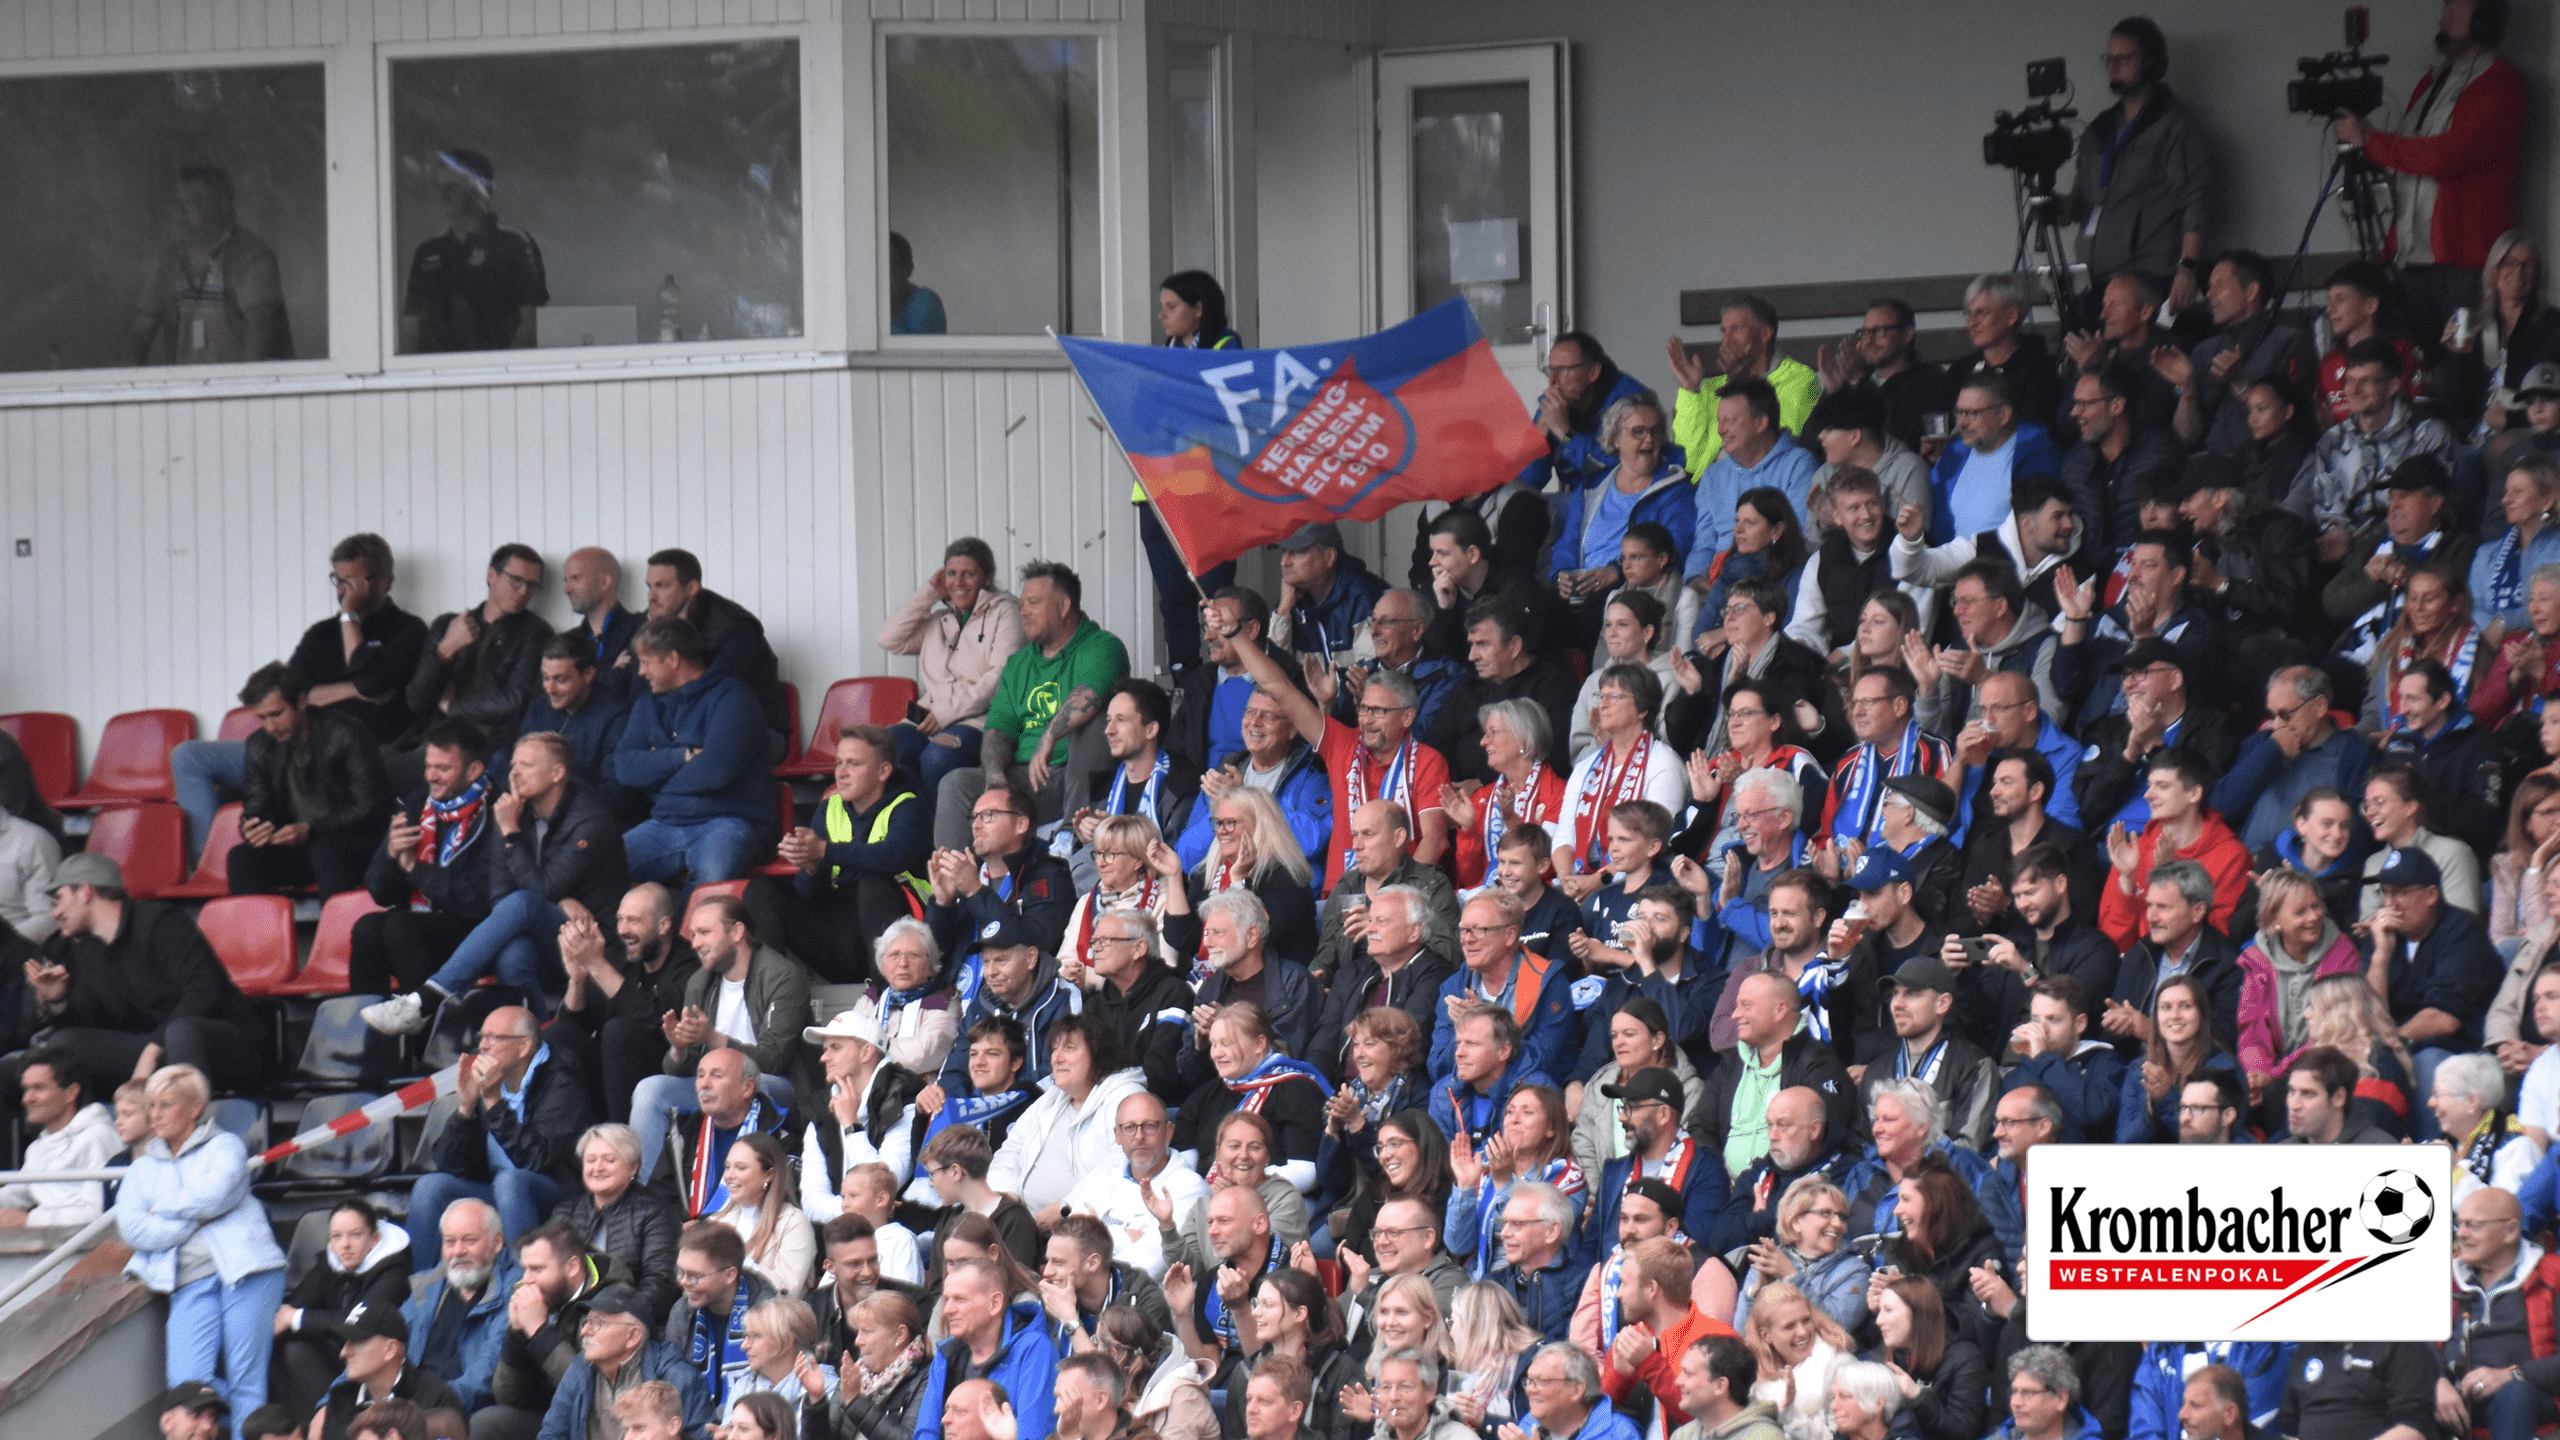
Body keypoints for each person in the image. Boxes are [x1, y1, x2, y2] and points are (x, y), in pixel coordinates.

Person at [364, 733, 631, 1036]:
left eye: (527, 765)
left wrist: (511, 832)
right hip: (548, 934)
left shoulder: (589, 819)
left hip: (597, 941)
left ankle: (427, 999)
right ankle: (537, 1042)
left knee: (521, 906)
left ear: (557, 774)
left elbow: (540, 892)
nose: (514, 773)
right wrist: (557, 900)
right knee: (514, 954)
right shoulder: (511, 808)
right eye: (513, 764)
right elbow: (499, 896)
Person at [2332, 0, 2528, 337]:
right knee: (2412, 367)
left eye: (2457, 12)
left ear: (2485, 21)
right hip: (2411, 259)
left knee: (2458, 373)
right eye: (2445, 10)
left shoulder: (2500, 84)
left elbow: (2444, 157)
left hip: (2464, 263)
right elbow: (2410, 155)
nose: (2444, 19)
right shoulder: (2431, 82)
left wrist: (2369, 139)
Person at [115, 1064, 291, 1428]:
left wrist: (162, 1208)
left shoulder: (226, 1145)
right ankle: (271, 1426)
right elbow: (134, 1228)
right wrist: (193, 1219)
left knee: (247, 1381)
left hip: (249, 1271)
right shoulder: (141, 1169)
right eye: (151, 1106)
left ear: (195, 1108)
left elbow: (215, 1197)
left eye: (166, 1105)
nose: (155, 1115)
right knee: (187, 1385)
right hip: (189, 1279)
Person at [25, 852, 266, 1095]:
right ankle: (87, 1130)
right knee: (64, 1046)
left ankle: (187, 1129)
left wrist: (153, 1049)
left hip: (218, 1043)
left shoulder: (161, 922)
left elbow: (203, 990)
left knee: (182, 1031)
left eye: (58, 900)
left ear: (85, 892)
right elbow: (93, 1024)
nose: (54, 914)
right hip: (150, 1046)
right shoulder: (86, 949)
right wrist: (57, 1001)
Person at [932, 561, 1130, 847]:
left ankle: (1069, 835)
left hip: (1074, 775)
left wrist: (1049, 737)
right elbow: (998, 729)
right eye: (1021, 603)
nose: (1022, 611)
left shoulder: (1102, 646)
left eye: (1033, 603)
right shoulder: (1019, 663)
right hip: (1025, 778)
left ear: (1064, 606)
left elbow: (1088, 696)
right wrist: (996, 780)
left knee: (1099, 722)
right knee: (956, 783)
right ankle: (951, 880)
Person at [627, 899, 810, 1180]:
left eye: (704, 933)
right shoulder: (699, 982)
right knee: (650, 1090)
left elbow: (775, 1060)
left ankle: (742, 1187)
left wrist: (713, 1038)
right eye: (693, 935)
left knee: (754, 1086)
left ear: (737, 932)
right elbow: (683, 1069)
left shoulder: (781, 976)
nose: (695, 943)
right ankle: (640, 1197)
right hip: (718, 1082)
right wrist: (679, 1048)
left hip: (772, 1085)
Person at [612, 616, 772, 887]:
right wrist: (681, 756)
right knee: (602, 870)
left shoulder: (732, 696)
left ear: (673, 660)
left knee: (711, 879)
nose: (640, 672)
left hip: (727, 822)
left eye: (647, 662)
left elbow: (715, 772)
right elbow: (625, 768)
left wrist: (655, 776)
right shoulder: (647, 705)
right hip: (664, 823)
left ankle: (685, 932)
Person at [349, 723, 500, 998]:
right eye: (429, 766)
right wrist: (391, 856)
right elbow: (380, 892)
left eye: (443, 769)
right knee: (366, 928)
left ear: (474, 770)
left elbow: (479, 897)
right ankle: (365, 1031)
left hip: (478, 931)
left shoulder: (498, 811)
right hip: (425, 924)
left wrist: (415, 870)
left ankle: (424, 1026)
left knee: (399, 927)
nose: (432, 776)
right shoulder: (419, 805)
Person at [222, 661, 392, 898]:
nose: (270, 727)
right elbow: (257, 805)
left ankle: (334, 933)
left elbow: (371, 807)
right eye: (262, 718)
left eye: (276, 714)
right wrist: (252, 826)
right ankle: (254, 934)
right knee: (241, 857)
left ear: (301, 702)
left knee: (326, 849)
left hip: (357, 844)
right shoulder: (259, 745)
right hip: (302, 846)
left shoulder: (345, 732)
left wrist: (311, 829)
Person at [879, 538, 1026, 793]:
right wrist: (930, 591)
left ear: (987, 577)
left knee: (937, 758)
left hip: (978, 718)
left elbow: (1000, 677)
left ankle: (941, 831)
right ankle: (913, 822)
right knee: (885, 750)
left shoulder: (1007, 613)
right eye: (951, 574)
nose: (958, 583)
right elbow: (889, 639)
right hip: (927, 716)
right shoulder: (940, 619)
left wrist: (947, 713)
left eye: (968, 574)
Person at [1555, 395, 1696, 644]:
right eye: (1638, 431)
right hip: (1581, 587)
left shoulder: (1674, 489)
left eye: (1655, 431)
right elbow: (1567, 543)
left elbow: (1675, 549)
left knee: (1599, 608)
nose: (1650, 439)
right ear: (1614, 438)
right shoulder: (1593, 486)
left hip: (1632, 586)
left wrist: (1617, 571)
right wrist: (1562, 575)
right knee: (1541, 606)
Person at [2296, 339, 2460, 550]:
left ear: (2392, 386)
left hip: (2411, 548)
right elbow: (2328, 510)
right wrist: (2339, 535)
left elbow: (2433, 511)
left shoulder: (2429, 434)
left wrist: (2363, 544)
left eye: (2365, 381)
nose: (2353, 390)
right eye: (2349, 381)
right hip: (2346, 554)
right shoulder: (2332, 440)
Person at [2151, 250, 2316, 452]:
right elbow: (2188, 436)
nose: (2209, 295)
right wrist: (2188, 388)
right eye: (2209, 288)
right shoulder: (2204, 350)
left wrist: (2239, 381)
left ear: (2251, 292)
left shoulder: (2291, 342)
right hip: (2208, 468)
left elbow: (2294, 419)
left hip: (2264, 467)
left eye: (2219, 286)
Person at [633, 549, 791, 755]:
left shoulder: (735, 627)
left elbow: (716, 691)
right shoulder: (652, 623)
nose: (651, 597)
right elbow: (636, 688)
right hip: (683, 730)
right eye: (650, 587)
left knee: (684, 758)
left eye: (662, 586)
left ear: (691, 588)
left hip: (756, 731)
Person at [130, 163, 289, 364]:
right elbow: (141, 331)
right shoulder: (167, 261)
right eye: (178, 203)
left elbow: (259, 343)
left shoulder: (252, 258)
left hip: (236, 390)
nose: (182, 212)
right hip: (185, 389)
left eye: (193, 202)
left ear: (223, 204)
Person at [2096, 751, 2252, 951]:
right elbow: (2113, 943)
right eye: (2150, 785)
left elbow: (2208, 945)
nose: (2148, 794)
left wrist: (2168, 880)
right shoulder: (2136, 849)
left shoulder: (2232, 856)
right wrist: (2126, 879)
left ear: (2194, 794)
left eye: (2163, 786)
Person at [2214, 667, 2377, 852]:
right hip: (2245, 863)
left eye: (2285, 715)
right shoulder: (2262, 744)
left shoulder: (2355, 754)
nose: (2277, 725)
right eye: (2272, 715)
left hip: (2307, 869)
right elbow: (2221, 808)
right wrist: (2270, 752)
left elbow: (2359, 833)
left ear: (2319, 706)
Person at [401, 148, 544, 352]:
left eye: (451, 188)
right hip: (440, 374)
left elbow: (529, 327)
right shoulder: (428, 253)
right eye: (438, 188)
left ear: (477, 189)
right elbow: (410, 331)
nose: (443, 196)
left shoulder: (514, 245)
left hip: (502, 372)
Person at [530, 1285, 712, 1440]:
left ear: (632, 1336)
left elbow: (702, 1436)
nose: (584, 1331)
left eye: (598, 1323)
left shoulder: (676, 1376)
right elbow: (551, 1434)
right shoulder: (580, 1369)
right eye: (586, 1322)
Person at [1430, 892, 1577, 1084]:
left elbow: (1539, 1062)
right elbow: (1438, 1068)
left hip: (1526, 1097)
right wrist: (1465, 1034)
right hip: (1471, 1092)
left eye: (1479, 929)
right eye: (1464, 930)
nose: (1467, 939)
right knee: (1441, 1091)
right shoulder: (1454, 986)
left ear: (1510, 935)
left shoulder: (1549, 982)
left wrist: (1483, 1026)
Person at [1669, 299, 1822, 477]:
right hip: (1708, 488)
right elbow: (1689, 461)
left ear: (1765, 334)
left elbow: (1774, 448)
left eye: (1736, 329)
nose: (1726, 340)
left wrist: (1741, 385)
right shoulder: (1713, 387)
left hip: (1766, 486)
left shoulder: (1800, 379)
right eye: (1724, 331)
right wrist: (1690, 391)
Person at [1686, 379, 1818, 585]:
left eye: (1729, 421)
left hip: (1773, 577)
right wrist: (1696, 579)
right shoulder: (1713, 475)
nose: (1720, 430)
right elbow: (1704, 544)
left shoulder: (1798, 464)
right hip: (1716, 581)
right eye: (1719, 421)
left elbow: (1796, 538)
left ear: (1760, 423)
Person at [912, 1257, 1060, 1440]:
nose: (948, 1310)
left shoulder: (1033, 1350)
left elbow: (1035, 1434)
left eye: (960, 1299)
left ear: (994, 1303)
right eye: (947, 1300)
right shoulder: (946, 1355)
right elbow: (926, 1433)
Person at [1807, 341, 1942, 503]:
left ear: (1855, 436)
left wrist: (1841, 518)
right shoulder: (1824, 475)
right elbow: (1808, 529)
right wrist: (1822, 523)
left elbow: (1917, 528)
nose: (1821, 436)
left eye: (1829, 429)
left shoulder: (1909, 470)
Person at [0, 1044, 118, 1227]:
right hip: (48, 1246)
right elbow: (18, 1192)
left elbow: (100, 1212)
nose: (27, 1099)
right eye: (26, 1089)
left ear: (71, 1092)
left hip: (85, 1250)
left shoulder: (98, 1136)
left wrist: (29, 1220)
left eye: (38, 1088)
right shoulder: (37, 1147)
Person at [312, 1300, 465, 1440]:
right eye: (345, 1343)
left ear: (391, 1349)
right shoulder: (339, 1399)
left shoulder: (437, 1398)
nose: (344, 1353)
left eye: (357, 1341)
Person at [2004, 979, 2129, 1144]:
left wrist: (2044, 1058)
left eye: (2053, 1019)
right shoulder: (2025, 1068)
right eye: (2035, 1020)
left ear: (2079, 1024)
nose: (2041, 1030)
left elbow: (2092, 1112)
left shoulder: (2107, 1063)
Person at [2116, 976, 2237, 1144]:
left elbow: (2209, 1141)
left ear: (2201, 1015)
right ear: (2156, 1017)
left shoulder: (2224, 1069)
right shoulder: (2139, 1069)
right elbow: (2124, 1142)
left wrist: (2166, 1097)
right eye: (2166, 1008)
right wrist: (2150, 1110)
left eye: (2185, 1006)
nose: (2175, 1016)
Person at [1863, 1275, 1986, 1440]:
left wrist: (1916, 1396)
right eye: (1879, 1311)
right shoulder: (1884, 1354)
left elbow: (1964, 1433)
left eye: (1888, 1310)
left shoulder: (1965, 1358)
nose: (1878, 1321)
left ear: (1917, 1315)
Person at [1946, 273, 2066, 438]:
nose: (1971, 323)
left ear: (2011, 316)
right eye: (1968, 314)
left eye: (1982, 313)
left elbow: (2034, 435)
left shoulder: (2040, 371)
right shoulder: (1960, 371)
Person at [1669, 1334, 1785, 1440]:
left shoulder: (1765, 1437)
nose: (1678, 1381)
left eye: (1688, 1374)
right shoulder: (1682, 1436)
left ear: (1720, 1386)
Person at [556, 547, 640, 691]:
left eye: (576, 578)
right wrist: (610, 672)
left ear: (604, 582)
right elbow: (550, 690)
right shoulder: (566, 641)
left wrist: (577, 681)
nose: (567, 589)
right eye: (566, 581)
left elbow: (632, 688)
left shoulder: (640, 630)